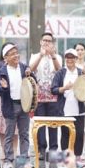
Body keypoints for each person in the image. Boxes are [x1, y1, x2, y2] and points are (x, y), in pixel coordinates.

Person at [0, 43, 32, 168]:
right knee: (9, 134)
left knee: (24, 134)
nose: (16, 55)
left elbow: (33, 81)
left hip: (24, 105)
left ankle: (24, 159)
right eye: (12, 54)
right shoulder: (2, 71)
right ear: (6, 58)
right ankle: (8, 160)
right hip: (10, 106)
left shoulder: (24, 68)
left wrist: (30, 74)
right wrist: (3, 88)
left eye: (17, 53)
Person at [29, 32, 62, 160]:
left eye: (49, 41)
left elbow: (60, 71)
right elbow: (30, 69)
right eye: (45, 40)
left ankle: (53, 150)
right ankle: (41, 149)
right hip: (39, 95)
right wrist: (41, 56)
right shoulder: (35, 56)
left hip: (53, 95)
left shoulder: (57, 56)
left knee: (53, 123)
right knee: (40, 123)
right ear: (40, 42)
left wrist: (52, 56)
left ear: (52, 43)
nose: (47, 43)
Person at [51, 49, 85, 159]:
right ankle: (65, 157)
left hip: (79, 108)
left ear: (76, 59)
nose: (69, 60)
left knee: (79, 134)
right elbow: (53, 89)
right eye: (67, 57)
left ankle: (78, 156)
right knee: (65, 134)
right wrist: (64, 88)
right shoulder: (60, 73)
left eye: (72, 57)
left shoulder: (81, 72)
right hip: (64, 109)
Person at [0, 42, 19, 160]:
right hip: (1, 99)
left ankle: (15, 151)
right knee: (2, 127)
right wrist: (6, 68)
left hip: (15, 98)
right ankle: (4, 151)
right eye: (10, 52)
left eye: (14, 52)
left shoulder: (18, 65)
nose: (13, 54)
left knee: (16, 127)